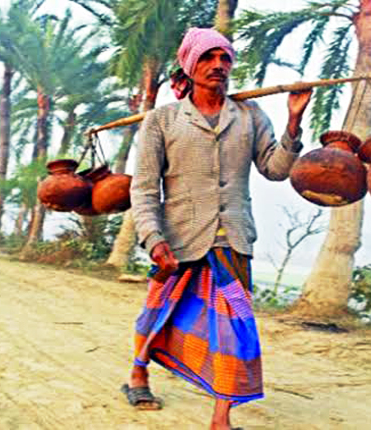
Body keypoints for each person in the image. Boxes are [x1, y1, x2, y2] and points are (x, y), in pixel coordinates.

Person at [125, 27, 312, 430]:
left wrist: (294, 122)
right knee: (159, 312)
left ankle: (220, 419)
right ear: (190, 65)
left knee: (234, 329)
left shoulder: (248, 116)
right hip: (178, 241)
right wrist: (154, 240)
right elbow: (142, 189)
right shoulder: (162, 120)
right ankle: (139, 372)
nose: (218, 66)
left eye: (225, 59)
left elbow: (276, 170)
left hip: (233, 241)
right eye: (208, 58)